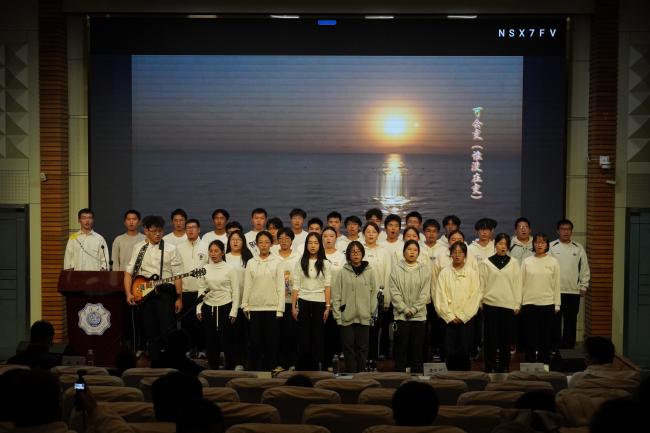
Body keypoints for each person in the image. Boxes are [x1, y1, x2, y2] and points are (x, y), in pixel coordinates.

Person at [124, 215, 183, 361]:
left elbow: (177, 276)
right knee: (150, 330)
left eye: (160, 231)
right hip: (146, 294)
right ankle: (155, 361)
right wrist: (128, 293)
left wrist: (179, 298)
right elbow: (129, 273)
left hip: (165, 293)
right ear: (146, 231)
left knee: (168, 329)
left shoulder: (171, 249)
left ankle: (171, 361)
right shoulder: (139, 248)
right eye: (154, 231)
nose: (157, 234)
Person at [331, 241, 378, 373]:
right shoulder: (342, 272)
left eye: (358, 251)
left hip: (364, 316)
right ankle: (351, 374)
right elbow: (336, 295)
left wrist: (371, 312)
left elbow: (374, 293)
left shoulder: (370, 272)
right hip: (346, 317)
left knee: (363, 348)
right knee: (348, 348)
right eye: (353, 252)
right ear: (348, 255)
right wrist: (338, 316)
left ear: (362, 254)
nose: (356, 254)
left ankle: (361, 374)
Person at [479, 233, 522, 373]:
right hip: (490, 304)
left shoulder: (514, 263)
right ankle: (489, 365)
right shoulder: (486, 263)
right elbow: (481, 284)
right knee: (490, 338)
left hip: (508, 305)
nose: (503, 247)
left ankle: (504, 365)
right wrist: (480, 302)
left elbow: (517, 284)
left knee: (506, 338)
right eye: (500, 244)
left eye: (505, 244)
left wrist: (517, 303)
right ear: (495, 245)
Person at [242, 231, 283, 370]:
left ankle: (271, 370)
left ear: (271, 244)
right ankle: (255, 371)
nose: (264, 245)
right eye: (261, 242)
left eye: (266, 242)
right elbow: (247, 285)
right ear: (257, 244)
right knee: (255, 342)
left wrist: (280, 309)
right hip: (255, 308)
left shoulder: (277, 262)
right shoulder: (251, 262)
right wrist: (245, 305)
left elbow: (281, 287)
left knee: (271, 342)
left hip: (272, 308)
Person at [196, 240, 239, 370]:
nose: (213, 254)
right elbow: (201, 288)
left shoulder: (230, 268)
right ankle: (213, 367)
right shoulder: (205, 268)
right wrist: (198, 308)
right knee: (210, 339)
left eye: (216, 251)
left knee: (227, 340)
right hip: (208, 307)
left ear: (222, 252)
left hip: (226, 306)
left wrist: (234, 311)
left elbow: (235, 290)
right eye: (211, 251)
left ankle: (230, 368)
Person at [435, 241, 481, 364]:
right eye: (454, 252)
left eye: (460, 252)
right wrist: (449, 315)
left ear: (465, 255)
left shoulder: (472, 273)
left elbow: (475, 296)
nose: (457, 255)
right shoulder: (444, 273)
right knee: (448, 350)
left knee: (464, 350)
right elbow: (440, 296)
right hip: (448, 319)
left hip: (466, 319)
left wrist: (463, 316)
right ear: (450, 255)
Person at [390, 240, 431, 373]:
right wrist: (404, 309)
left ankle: (417, 374)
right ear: (403, 252)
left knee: (417, 348)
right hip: (401, 316)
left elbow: (425, 293)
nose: (412, 252)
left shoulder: (424, 270)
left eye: (415, 250)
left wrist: (413, 309)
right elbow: (394, 292)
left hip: (419, 316)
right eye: (409, 249)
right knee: (401, 347)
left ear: (418, 253)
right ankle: (399, 373)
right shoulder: (396, 269)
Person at [549, 218, 591, 350]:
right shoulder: (551, 246)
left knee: (570, 322)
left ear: (571, 231)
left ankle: (568, 349)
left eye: (568, 229)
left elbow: (584, 268)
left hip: (573, 292)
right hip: (555, 292)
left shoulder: (578, 248)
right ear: (558, 231)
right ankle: (554, 348)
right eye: (563, 229)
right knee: (554, 322)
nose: (566, 232)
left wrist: (584, 285)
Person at [292, 232, 332, 367]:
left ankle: (318, 365)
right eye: (310, 243)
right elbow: (296, 286)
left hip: (319, 302)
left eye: (315, 243)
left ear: (320, 245)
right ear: (306, 245)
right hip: (303, 301)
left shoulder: (325, 263)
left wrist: (327, 307)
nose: (313, 246)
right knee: (303, 336)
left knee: (318, 336)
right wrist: (293, 306)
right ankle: (304, 366)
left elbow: (327, 286)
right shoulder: (300, 262)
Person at [520, 233, 561, 364]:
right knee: (530, 336)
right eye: (537, 242)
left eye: (542, 242)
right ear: (533, 244)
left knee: (546, 336)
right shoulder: (526, 261)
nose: (539, 245)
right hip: (529, 303)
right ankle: (530, 362)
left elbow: (556, 284)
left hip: (547, 303)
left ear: (547, 245)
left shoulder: (553, 262)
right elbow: (521, 283)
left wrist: (557, 304)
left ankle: (544, 362)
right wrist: (519, 302)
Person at [176, 218, 208, 356]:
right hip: (185, 291)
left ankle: (201, 350)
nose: (190, 230)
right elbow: (176, 272)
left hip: (202, 292)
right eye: (188, 227)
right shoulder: (179, 248)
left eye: (193, 227)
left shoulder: (206, 246)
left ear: (199, 229)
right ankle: (188, 349)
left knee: (201, 322)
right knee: (186, 323)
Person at [226, 229, 253, 369]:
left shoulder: (248, 258)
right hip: (229, 302)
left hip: (246, 302)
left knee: (246, 334)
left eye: (238, 239)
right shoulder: (225, 258)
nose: (235, 242)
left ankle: (246, 361)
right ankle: (234, 362)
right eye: (232, 239)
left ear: (243, 242)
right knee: (232, 334)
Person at [569, 336, 640, 386]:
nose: (584, 357)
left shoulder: (578, 378)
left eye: (585, 353)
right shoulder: (631, 378)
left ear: (594, 358)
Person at [275, 227, 299, 368]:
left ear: (292, 240)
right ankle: (279, 363)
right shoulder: (273, 255)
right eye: (281, 238)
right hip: (276, 302)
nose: (284, 241)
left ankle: (292, 363)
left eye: (287, 238)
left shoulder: (298, 257)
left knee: (292, 333)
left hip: (292, 301)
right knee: (277, 334)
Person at [322, 226, 345, 369]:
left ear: (336, 238)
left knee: (334, 333)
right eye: (325, 236)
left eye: (331, 236)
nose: (328, 239)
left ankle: (334, 362)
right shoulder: (318, 255)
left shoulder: (341, 256)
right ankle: (323, 363)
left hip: (336, 300)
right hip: (319, 300)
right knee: (321, 334)